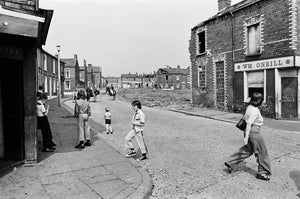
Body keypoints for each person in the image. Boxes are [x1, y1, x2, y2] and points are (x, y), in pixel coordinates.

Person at [224, 92, 271, 181]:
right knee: (262, 152)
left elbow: (246, 120)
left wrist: (246, 135)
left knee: (248, 150)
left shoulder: (249, 107)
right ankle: (263, 173)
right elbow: (249, 123)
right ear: (259, 101)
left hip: (249, 132)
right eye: (261, 100)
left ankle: (230, 162)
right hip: (254, 132)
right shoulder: (255, 110)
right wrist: (246, 138)